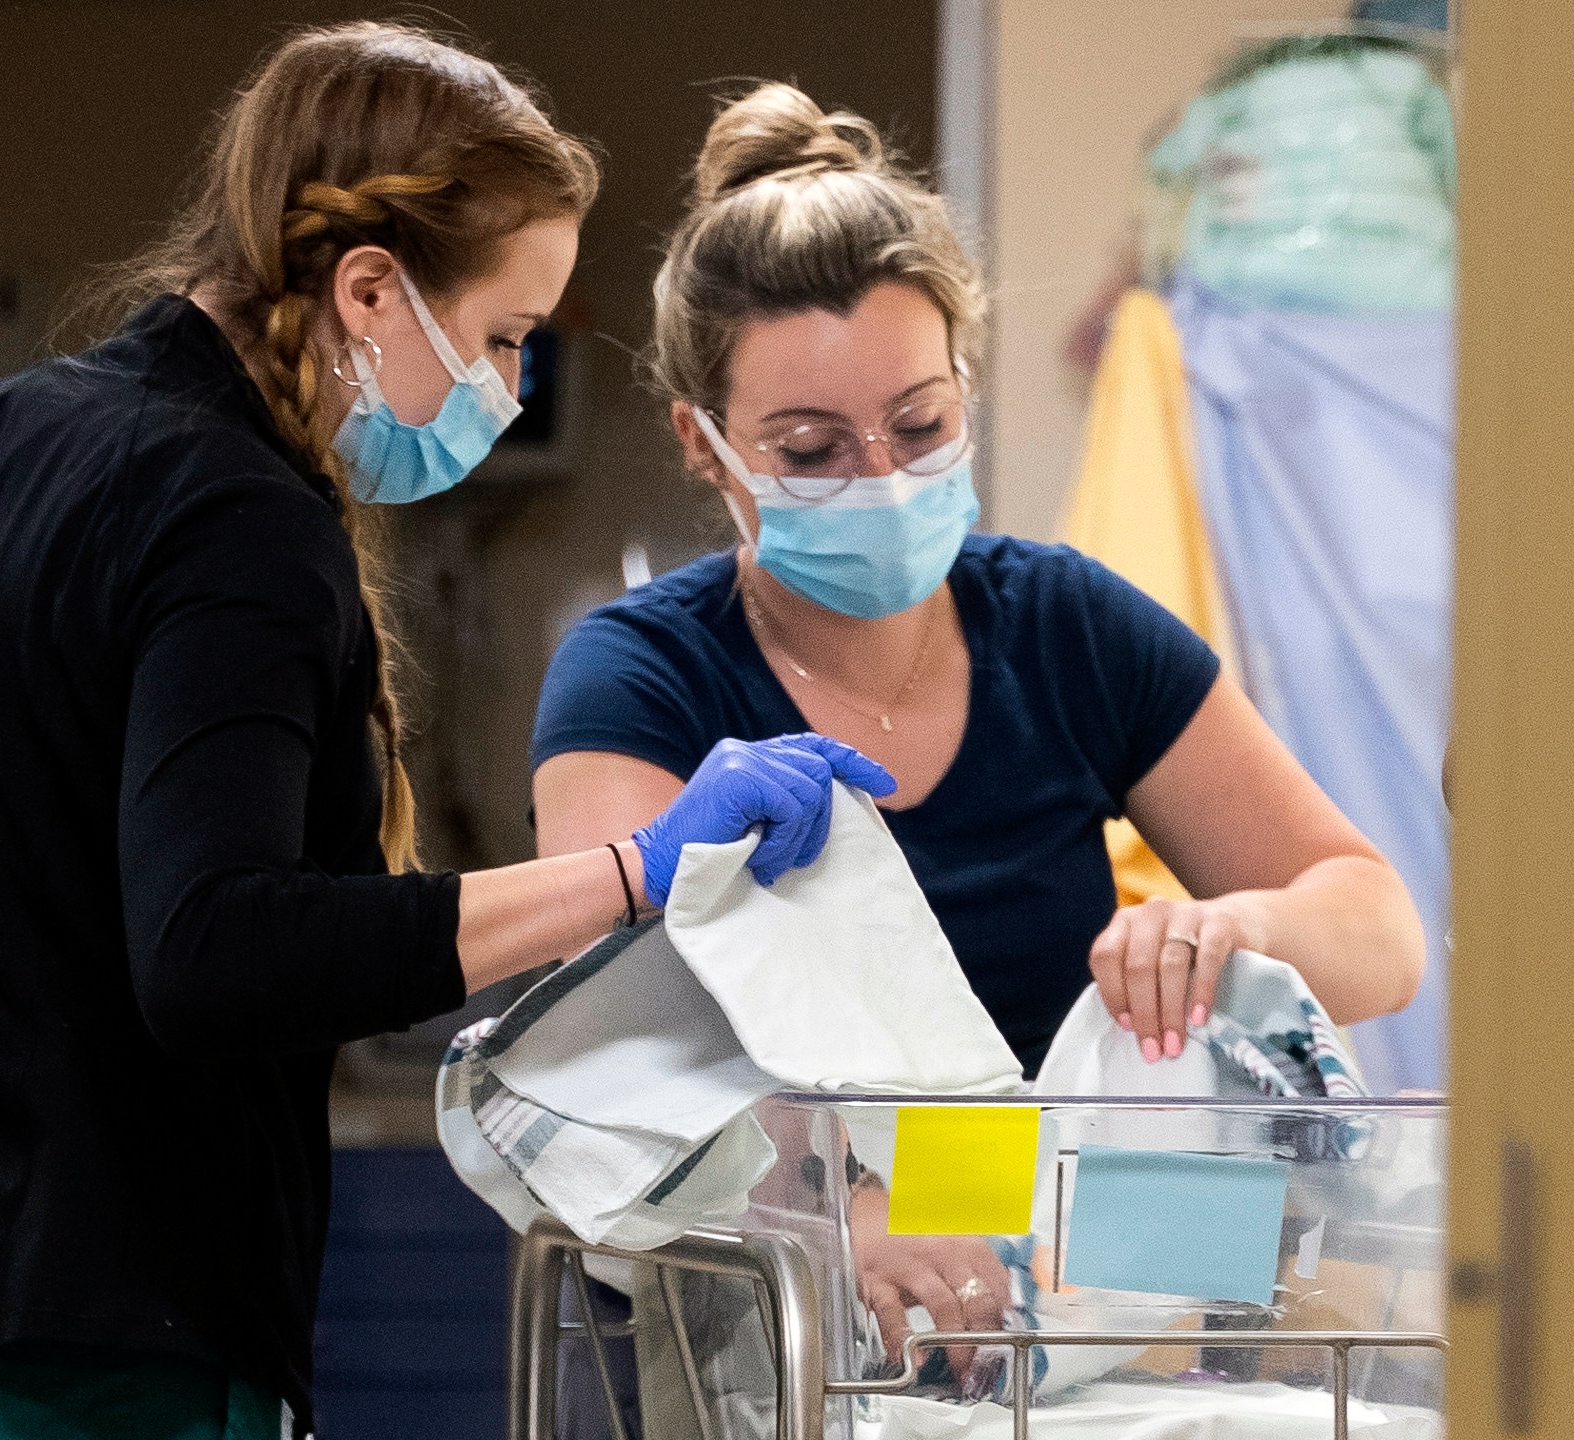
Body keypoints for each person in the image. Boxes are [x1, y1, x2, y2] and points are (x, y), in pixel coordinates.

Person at [0, 28, 893, 1440]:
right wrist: (637, 872)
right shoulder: (237, 521)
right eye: (503, 337)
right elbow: (220, 954)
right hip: (33, 1354)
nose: (512, 389)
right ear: (366, 291)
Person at [530, 83, 1425, 1374]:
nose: (880, 480)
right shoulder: (642, 677)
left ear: (966, 387)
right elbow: (626, 1029)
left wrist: (1229, 930)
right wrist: (834, 1195)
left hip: (1070, 1309)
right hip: (772, 1324)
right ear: (703, 444)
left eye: (918, 425)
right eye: (809, 449)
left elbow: (1376, 930)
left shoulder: (1065, 629)